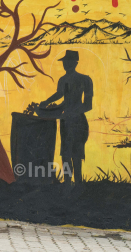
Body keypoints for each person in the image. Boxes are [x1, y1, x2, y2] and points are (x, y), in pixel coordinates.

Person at [39, 50, 93, 185]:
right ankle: (68, 182)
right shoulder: (63, 80)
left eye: (68, 62)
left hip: (78, 121)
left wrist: (72, 112)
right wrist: (46, 103)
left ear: (75, 63)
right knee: (66, 153)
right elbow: (60, 95)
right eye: (64, 62)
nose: (66, 65)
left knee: (77, 153)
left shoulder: (85, 80)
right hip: (66, 121)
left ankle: (79, 182)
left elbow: (88, 105)